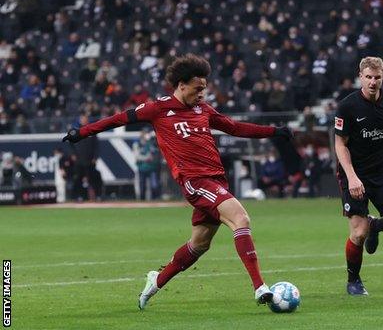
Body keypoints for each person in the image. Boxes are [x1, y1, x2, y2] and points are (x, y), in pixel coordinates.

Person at [62, 54, 293, 308]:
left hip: (216, 180)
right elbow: (117, 119)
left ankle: (156, 280)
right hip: (194, 181)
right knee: (241, 218)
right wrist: (81, 133)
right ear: (181, 85)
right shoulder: (157, 109)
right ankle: (260, 287)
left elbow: (235, 127)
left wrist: (274, 132)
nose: (202, 94)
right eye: (198, 89)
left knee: (200, 244)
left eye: (204, 89)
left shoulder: (203, 109)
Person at [334, 56, 383, 296]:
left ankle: (375, 225)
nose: (372, 82)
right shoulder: (347, 106)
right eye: (368, 77)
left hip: (382, 173)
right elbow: (340, 145)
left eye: (377, 77)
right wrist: (351, 177)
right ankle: (354, 280)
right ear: (360, 77)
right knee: (358, 233)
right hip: (354, 174)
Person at [133, 128, 161, 200]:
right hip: (142, 168)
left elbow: (156, 153)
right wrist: (146, 158)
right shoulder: (137, 143)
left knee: (154, 185)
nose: (146, 134)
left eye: (147, 133)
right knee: (142, 186)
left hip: (152, 168)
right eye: (145, 133)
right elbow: (137, 156)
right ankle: (142, 200)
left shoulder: (152, 142)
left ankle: (154, 199)